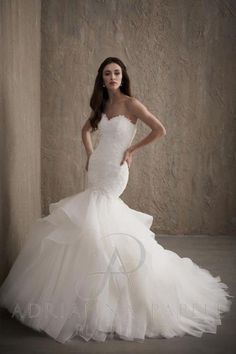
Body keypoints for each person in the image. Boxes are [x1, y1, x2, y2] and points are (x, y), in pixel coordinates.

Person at [0, 57, 233, 344]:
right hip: (98, 166)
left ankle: (113, 294)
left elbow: (159, 130)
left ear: (123, 77)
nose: (112, 77)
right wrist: (89, 154)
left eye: (117, 72)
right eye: (107, 73)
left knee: (103, 214)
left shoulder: (132, 104)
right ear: (102, 78)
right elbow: (85, 131)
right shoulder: (101, 106)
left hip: (115, 172)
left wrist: (132, 150)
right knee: (91, 218)